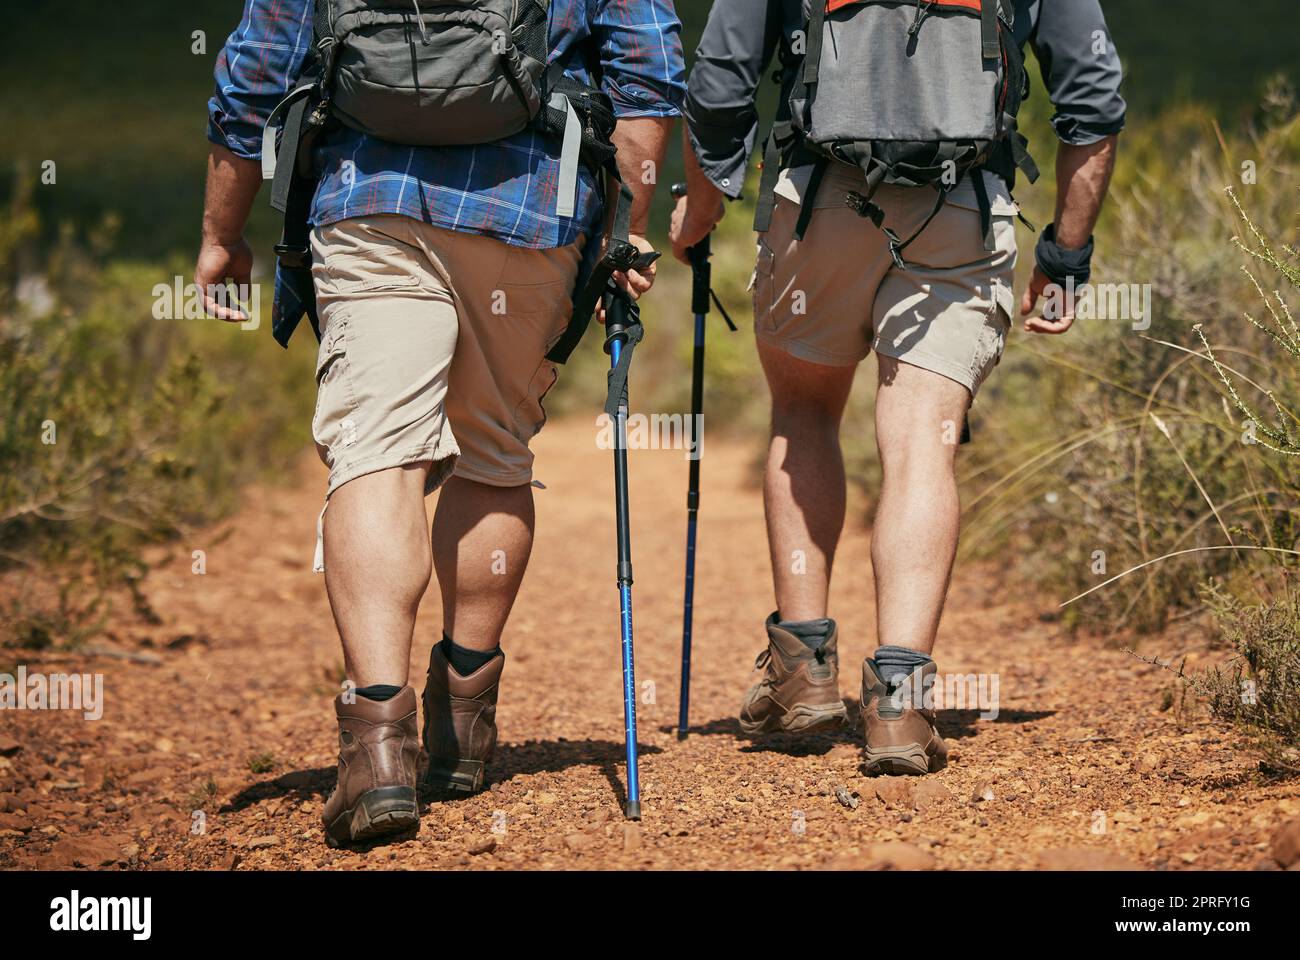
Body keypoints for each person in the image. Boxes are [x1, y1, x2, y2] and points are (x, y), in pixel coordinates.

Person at [197, 0, 685, 845]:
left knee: (376, 457)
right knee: (495, 452)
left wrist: (221, 233)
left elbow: (254, 74)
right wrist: (626, 232)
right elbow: (646, 77)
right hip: (533, 212)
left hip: (368, 201)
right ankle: (462, 722)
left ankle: (378, 749)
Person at [671, 0, 1124, 774]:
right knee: (922, 441)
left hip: (818, 206)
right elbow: (1091, 97)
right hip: (964, 210)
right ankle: (898, 704)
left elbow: (721, 79)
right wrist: (1066, 255)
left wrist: (702, 202)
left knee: (804, 412)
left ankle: (803, 672)